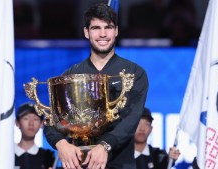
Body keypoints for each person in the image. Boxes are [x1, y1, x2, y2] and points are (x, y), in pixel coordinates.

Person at [43, 3, 149, 169]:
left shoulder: (133, 73)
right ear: (86, 32)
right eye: (96, 28)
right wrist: (61, 144)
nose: (103, 34)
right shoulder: (71, 75)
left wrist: (105, 145)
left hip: (119, 164)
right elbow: (51, 121)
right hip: (79, 164)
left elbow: (131, 119)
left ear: (116, 31)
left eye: (108, 27)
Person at [15, 102, 55, 169]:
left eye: (35, 119)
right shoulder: (6, 154)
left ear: (42, 123)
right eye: (26, 118)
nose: (31, 123)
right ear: (17, 123)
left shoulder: (47, 157)